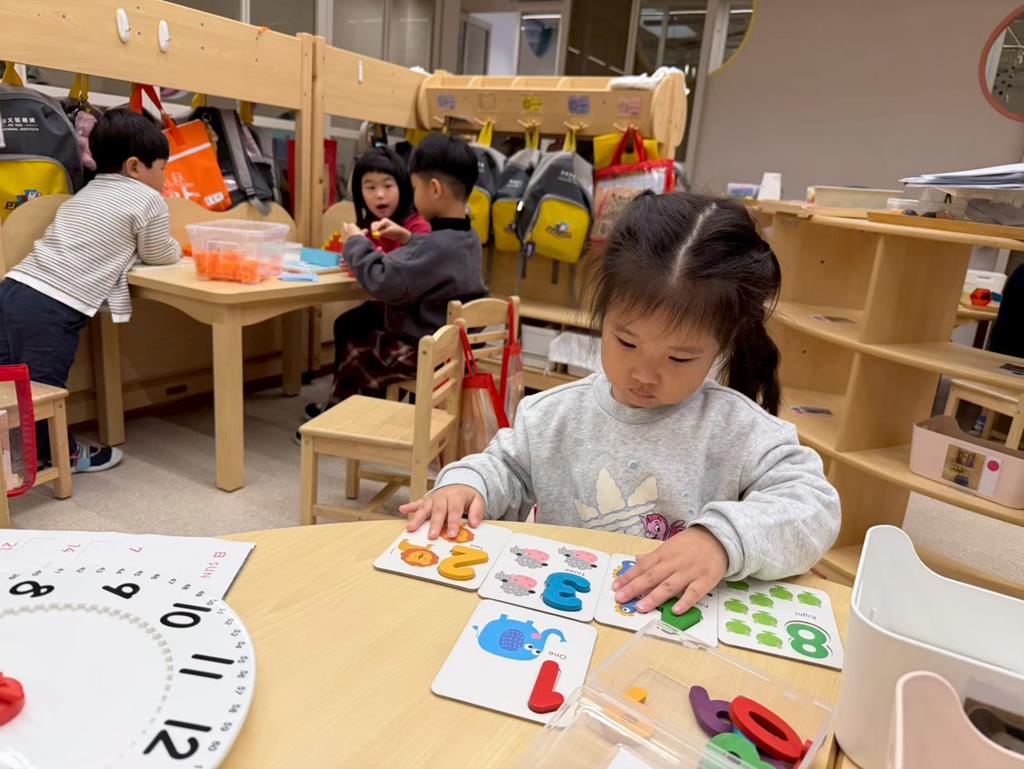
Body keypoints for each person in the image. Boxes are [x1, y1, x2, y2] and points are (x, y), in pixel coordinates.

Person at [402, 191, 840, 617]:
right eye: (626, 342)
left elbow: (814, 506)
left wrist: (721, 541)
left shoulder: (738, 430)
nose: (644, 374)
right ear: (603, 316)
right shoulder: (551, 415)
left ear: (724, 344)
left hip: (672, 630)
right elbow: (505, 468)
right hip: (566, 613)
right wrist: (466, 486)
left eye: (679, 358)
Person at [0, 108, 181, 472]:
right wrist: (177, 249)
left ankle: (20, 448)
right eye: (162, 169)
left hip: (14, 288)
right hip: (52, 306)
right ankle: (59, 455)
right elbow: (159, 253)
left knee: (10, 379)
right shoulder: (148, 200)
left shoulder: (87, 191)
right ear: (134, 167)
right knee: (43, 389)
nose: (164, 179)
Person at [299, 132, 487, 437]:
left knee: (358, 348)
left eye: (414, 188)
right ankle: (349, 408)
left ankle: (340, 421)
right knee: (355, 322)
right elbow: (433, 258)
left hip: (424, 348)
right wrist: (408, 238)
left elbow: (381, 280)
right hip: (448, 343)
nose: (413, 196)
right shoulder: (468, 237)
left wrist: (355, 243)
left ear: (434, 189)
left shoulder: (435, 245)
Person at [304, 146, 431, 420]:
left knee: (356, 330)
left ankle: (350, 408)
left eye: (388, 185)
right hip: (392, 310)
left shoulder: (415, 226)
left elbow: (398, 277)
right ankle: (344, 401)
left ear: (403, 186)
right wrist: (353, 259)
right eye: (370, 187)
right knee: (347, 323)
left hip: (413, 319)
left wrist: (365, 255)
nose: (379, 194)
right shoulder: (370, 225)